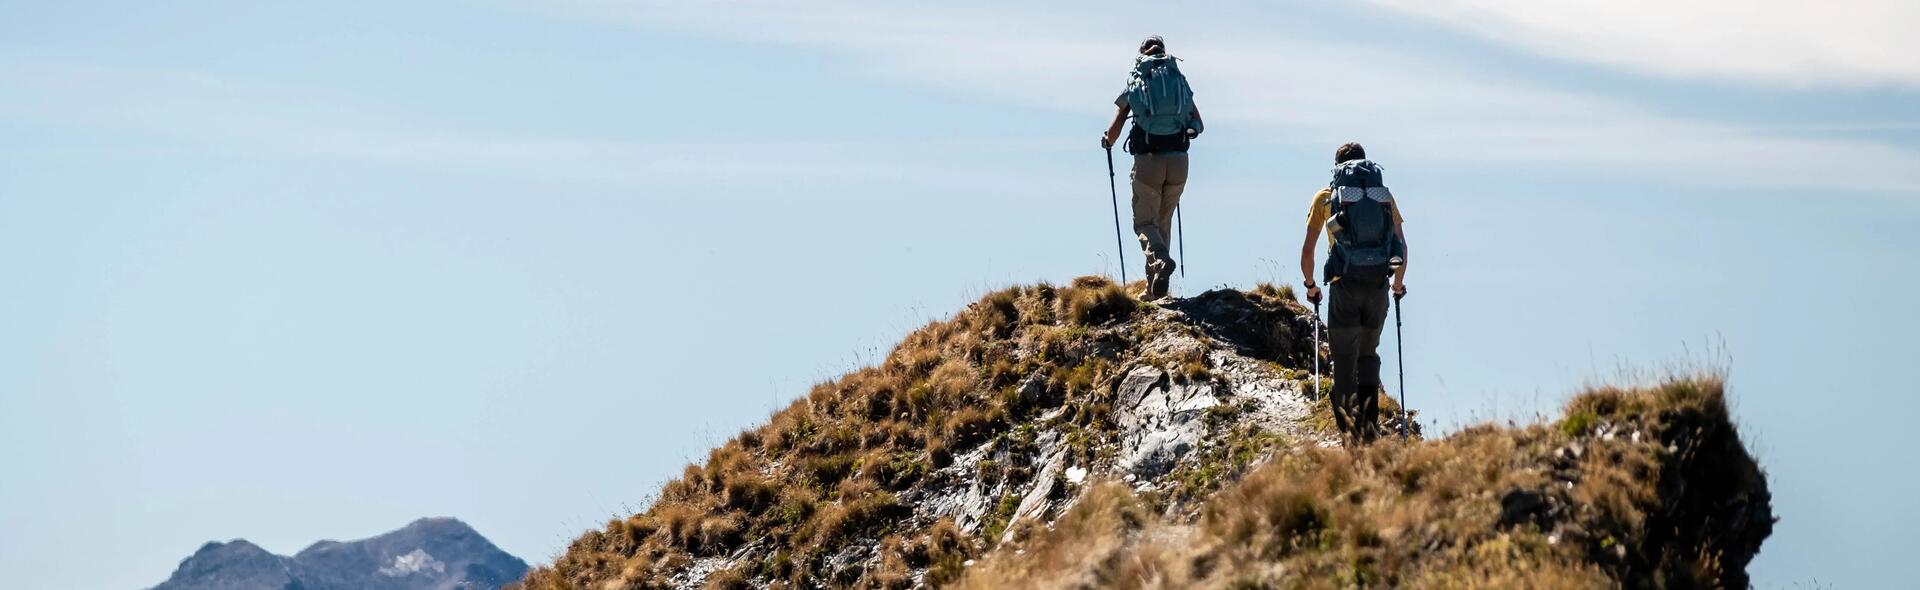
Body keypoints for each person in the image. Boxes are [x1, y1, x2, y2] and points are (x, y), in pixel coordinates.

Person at [1300, 142, 1408, 444]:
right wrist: (1397, 284)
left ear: (1337, 167)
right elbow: (1403, 247)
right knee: (1368, 354)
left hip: (1344, 286)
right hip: (1377, 287)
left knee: (1344, 358)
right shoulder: (1383, 197)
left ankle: (1349, 432)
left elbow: (1308, 250)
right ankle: (1369, 430)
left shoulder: (1326, 197)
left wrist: (1311, 286)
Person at [1101, 35, 1203, 301]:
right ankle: (1156, 289)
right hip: (1179, 161)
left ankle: (1159, 261)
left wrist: (1107, 141)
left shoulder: (1137, 80)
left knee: (1145, 222)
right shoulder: (1178, 80)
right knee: (1163, 222)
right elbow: (1198, 124)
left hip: (1148, 162)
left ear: (1141, 54)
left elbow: (1116, 127)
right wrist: (1185, 133)